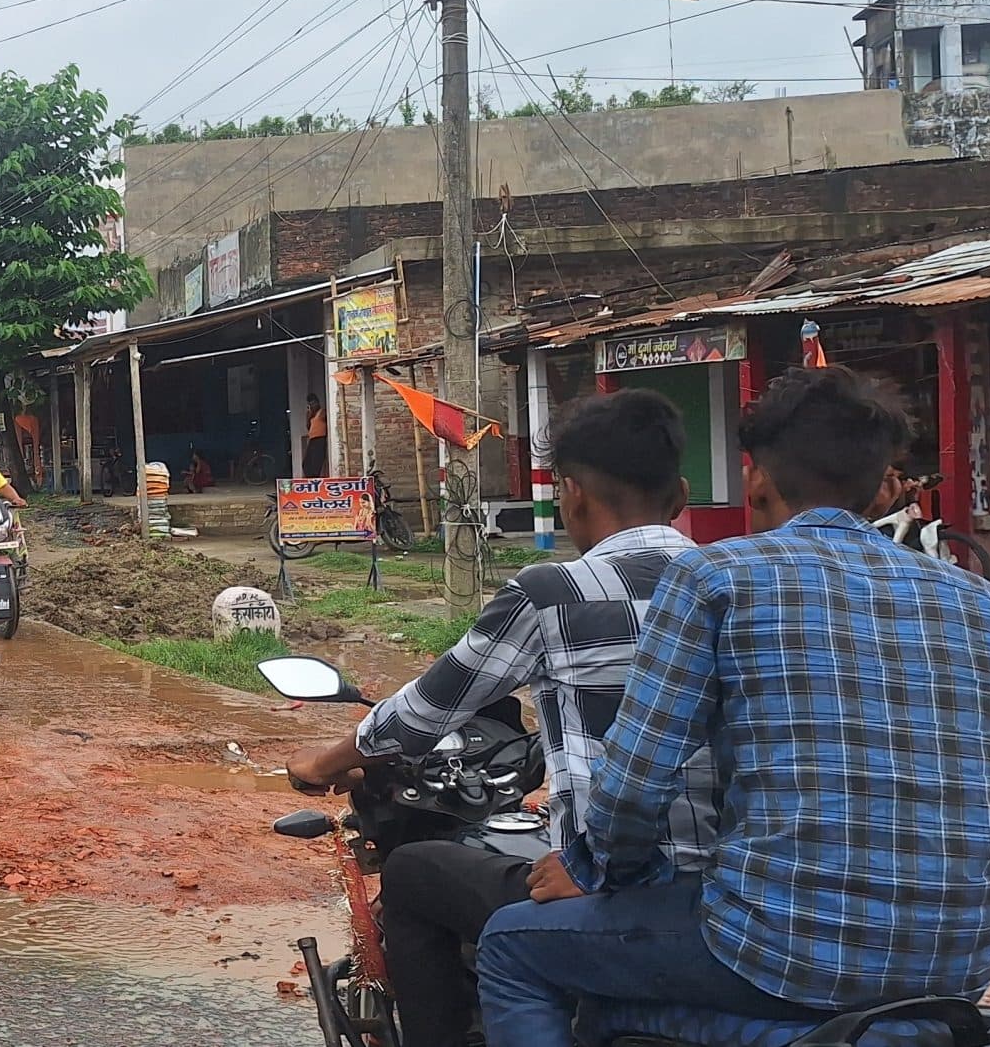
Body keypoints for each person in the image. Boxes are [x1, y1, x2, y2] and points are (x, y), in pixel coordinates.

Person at [477, 367, 990, 1046]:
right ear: (882, 486)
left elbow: (636, 780)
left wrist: (592, 868)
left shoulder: (717, 576)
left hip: (777, 953)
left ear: (756, 478)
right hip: (956, 966)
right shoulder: (980, 601)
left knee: (512, 946)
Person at [283, 389, 706, 1047]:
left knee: (414, 873)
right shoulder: (738, 584)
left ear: (572, 495)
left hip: (618, 892)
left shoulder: (553, 594)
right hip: (733, 895)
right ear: (679, 496)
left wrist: (327, 761)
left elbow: (422, 712)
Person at [303, 394, 329, 478]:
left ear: (317, 403)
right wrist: (309, 415)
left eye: (314, 403)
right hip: (312, 440)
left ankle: (315, 480)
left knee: (316, 463)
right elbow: (308, 427)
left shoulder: (322, 412)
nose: (313, 405)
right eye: (310, 404)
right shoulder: (312, 415)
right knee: (306, 463)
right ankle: (310, 479)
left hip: (320, 439)